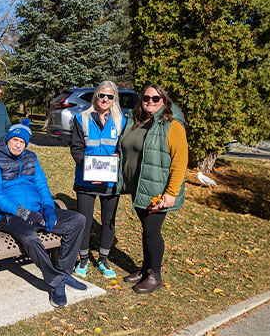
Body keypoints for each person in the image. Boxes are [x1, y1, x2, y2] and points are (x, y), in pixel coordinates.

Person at [0, 121, 87, 308]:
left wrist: (47, 208)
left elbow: (41, 185)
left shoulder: (31, 157)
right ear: (7, 140)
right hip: (10, 216)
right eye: (14, 140)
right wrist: (23, 213)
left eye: (22, 142)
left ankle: (63, 272)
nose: (17, 145)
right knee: (30, 236)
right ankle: (56, 282)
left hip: (37, 212)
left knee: (78, 220)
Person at [117, 83, 188, 294]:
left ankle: (155, 275)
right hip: (139, 186)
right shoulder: (137, 122)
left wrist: (171, 193)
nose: (150, 102)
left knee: (151, 231)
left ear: (164, 102)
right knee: (146, 230)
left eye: (155, 99)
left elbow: (180, 161)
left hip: (157, 189)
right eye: (146, 98)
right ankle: (145, 269)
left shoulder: (172, 126)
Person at [69, 81, 127, 279]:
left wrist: (114, 165)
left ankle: (103, 259)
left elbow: (122, 150)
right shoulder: (81, 118)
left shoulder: (122, 121)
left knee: (108, 221)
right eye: (102, 95)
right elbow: (76, 148)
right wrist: (90, 170)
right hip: (86, 180)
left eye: (110, 97)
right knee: (84, 220)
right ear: (96, 96)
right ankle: (83, 259)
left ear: (114, 99)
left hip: (110, 181)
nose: (105, 99)